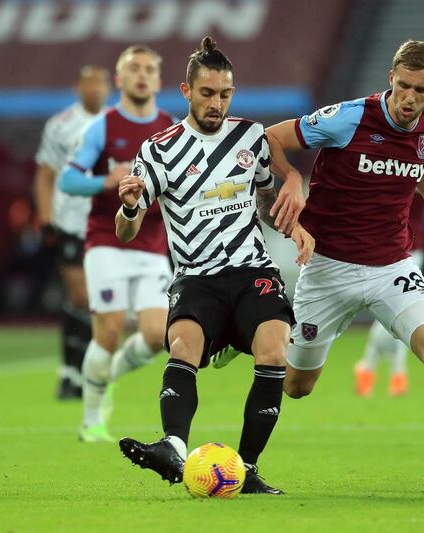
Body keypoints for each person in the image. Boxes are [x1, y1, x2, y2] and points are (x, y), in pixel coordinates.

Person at [264, 40, 424, 491]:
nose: (409, 98)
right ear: (391, 78)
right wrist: (291, 177)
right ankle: (246, 337)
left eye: (420, 90)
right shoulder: (348, 118)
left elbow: (419, 162)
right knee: (297, 386)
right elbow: (270, 137)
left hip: (392, 268)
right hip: (327, 269)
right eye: (403, 86)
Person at [115, 36, 314, 495]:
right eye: (207, 94)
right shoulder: (158, 150)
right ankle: (172, 447)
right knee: (182, 346)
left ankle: (246, 469)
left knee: (274, 352)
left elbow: (268, 200)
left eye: (225, 94)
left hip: (251, 271)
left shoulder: (250, 138)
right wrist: (128, 209)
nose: (217, 103)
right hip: (196, 277)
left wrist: (293, 224)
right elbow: (126, 230)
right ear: (186, 92)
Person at [58, 45, 175, 443]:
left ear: (158, 81)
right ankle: (92, 421)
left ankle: (106, 379)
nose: (141, 75)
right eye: (133, 69)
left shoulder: (172, 130)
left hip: (153, 245)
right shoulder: (103, 128)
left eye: (148, 69)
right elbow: (67, 180)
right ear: (120, 79)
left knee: (159, 336)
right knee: (107, 332)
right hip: (107, 242)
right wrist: (104, 182)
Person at [354, 136, 424, 397]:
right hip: (380, 239)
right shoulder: (381, 138)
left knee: (402, 308)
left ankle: (376, 367)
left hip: (414, 241)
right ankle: (393, 371)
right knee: (396, 309)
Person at [33, 65, 111, 400]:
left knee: (100, 303)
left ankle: (81, 372)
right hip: (71, 222)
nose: (95, 89)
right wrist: (46, 216)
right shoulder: (60, 124)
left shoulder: (118, 122)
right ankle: (72, 372)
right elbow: (44, 175)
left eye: (101, 83)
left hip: (108, 224)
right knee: (81, 296)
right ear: (78, 87)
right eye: (89, 83)